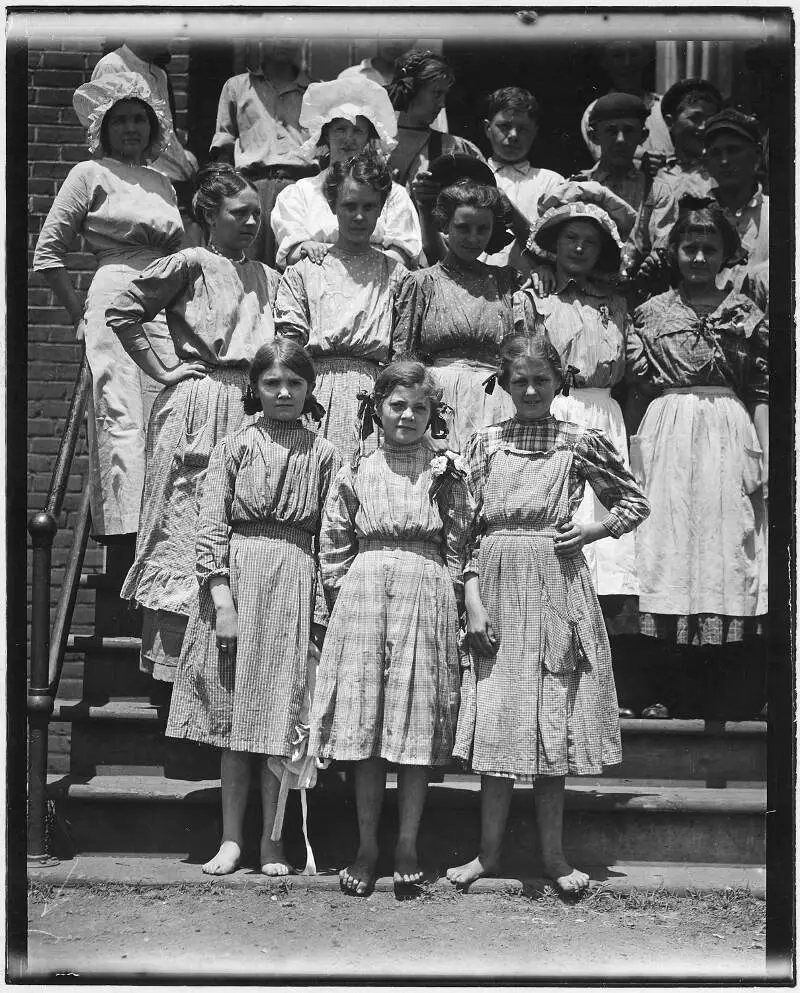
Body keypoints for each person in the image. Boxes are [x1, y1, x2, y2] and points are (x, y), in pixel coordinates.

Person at [447, 333, 649, 893]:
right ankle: (486, 854)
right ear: (503, 384)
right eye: (519, 381)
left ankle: (555, 858)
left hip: (557, 581)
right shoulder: (484, 442)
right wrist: (471, 598)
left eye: (541, 379)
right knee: (497, 717)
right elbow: (460, 530)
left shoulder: (580, 439)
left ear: (559, 380)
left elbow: (634, 501)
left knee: (551, 722)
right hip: (495, 579)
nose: (531, 390)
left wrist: (591, 529)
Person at [166, 340, 342, 876]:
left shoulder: (327, 453)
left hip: (294, 582)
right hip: (239, 584)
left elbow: (330, 538)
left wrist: (317, 614)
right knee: (234, 721)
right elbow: (210, 527)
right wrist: (222, 603)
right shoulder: (234, 446)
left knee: (279, 720)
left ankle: (272, 842)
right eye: (272, 383)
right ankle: (231, 840)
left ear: (310, 390)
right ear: (255, 388)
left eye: (295, 383)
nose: (284, 393)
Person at [106, 163, 281, 682]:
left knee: (237, 528)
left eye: (256, 213)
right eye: (239, 213)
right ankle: (175, 674)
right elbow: (123, 310)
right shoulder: (189, 262)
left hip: (250, 404)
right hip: (199, 404)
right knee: (184, 525)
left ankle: (228, 670)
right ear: (209, 214)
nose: (251, 222)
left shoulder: (266, 276)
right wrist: (162, 369)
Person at [308, 360, 473, 896]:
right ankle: (367, 846)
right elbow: (333, 541)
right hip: (364, 590)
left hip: (426, 593)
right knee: (368, 724)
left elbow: (460, 540)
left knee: (414, 722)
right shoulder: (356, 466)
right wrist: (343, 596)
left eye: (419, 407)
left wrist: (450, 601)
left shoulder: (447, 469)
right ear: (376, 407)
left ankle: (406, 842)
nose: (407, 415)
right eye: (397, 405)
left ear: (434, 415)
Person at [627, 197, 768, 720]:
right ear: (674, 252)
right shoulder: (651, 313)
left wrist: (764, 453)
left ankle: (725, 690)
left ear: (728, 253)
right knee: (667, 545)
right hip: (668, 431)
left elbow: (762, 390)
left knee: (725, 545)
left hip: (729, 430)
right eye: (690, 247)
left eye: (711, 248)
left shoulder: (746, 313)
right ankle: (666, 684)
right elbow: (638, 389)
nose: (700, 258)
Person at [33, 72, 183, 540]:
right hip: (115, 286)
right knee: (119, 410)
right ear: (104, 128)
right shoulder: (89, 174)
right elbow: (48, 254)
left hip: (164, 296)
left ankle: (166, 525)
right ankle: (124, 531)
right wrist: (79, 313)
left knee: (168, 406)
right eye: (120, 121)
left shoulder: (164, 183)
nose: (132, 128)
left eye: (140, 119)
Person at [274, 150, 412, 457]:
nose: (359, 216)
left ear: (381, 210)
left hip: (375, 396)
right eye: (350, 206)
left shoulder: (396, 275)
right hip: (314, 393)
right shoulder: (306, 270)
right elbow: (289, 349)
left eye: (369, 206)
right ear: (333, 206)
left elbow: (402, 352)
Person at [395, 179, 520, 453]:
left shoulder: (505, 282)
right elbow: (403, 356)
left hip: (495, 400)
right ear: (445, 226)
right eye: (463, 227)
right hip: (440, 400)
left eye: (482, 229)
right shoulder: (422, 283)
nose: (473, 238)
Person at [270, 76, 422, 270]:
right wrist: (306, 249)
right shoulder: (300, 193)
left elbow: (403, 255)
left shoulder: (393, 194)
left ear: (368, 137)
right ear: (326, 133)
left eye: (358, 131)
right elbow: (292, 254)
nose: (348, 139)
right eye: (340, 129)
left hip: (376, 284)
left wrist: (356, 264)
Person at [210, 39, 319, 268]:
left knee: (296, 263)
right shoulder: (237, 87)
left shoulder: (315, 91)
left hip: (301, 187)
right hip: (250, 187)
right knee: (246, 265)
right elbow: (224, 145)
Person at [91, 39, 200, 244]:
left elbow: (165, 132)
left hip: (176, 187)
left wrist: (183, 155)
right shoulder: (113, 65)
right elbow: (103, 140)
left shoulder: (159, 74)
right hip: (142, 192)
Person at [631, 78, 723, 264]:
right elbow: (639, 239)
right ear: (670, 122)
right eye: (695, 118)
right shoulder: (656, 176)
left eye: (711, 119)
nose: (704, 127)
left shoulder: (722, 173)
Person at [481, 86, 565, 272]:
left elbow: (557, 247)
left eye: (523, 129)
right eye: (504, 126)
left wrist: (514, 216)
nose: (513, 136)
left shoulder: (552, 182)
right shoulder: (473, 177)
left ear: (535, 132)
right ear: (487, 128)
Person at [386, 49, 483, 202]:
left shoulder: (456, 149)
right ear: (409, 90)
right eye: (437, 93)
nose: (442, 104)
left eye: (445, 95)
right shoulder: (373, 144)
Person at [580, 41, 672, 174]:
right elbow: (606, 158)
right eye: (617, 55)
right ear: (604, 62)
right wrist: (641, 160)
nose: (627, 63)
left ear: (646, 58)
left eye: (634, 54)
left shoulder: (665, 106)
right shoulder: (594, 111)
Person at [702, 109, 769, 293]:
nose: (724, 161)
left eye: (733, 150)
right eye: (716, 153)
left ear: (756, 155)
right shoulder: (696, 214)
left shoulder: (776, 217)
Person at [337, 38, 449, 133]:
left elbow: (439, 131)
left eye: (404, 35)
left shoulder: (427, 82)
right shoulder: (350, 77)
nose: (396, 42)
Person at [571, 92, 650, 214]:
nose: (620, 139)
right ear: (594, 137)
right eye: (611, 131)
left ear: (643, 136)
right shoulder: (577, 188)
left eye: (629, 131)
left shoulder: (656, 192)